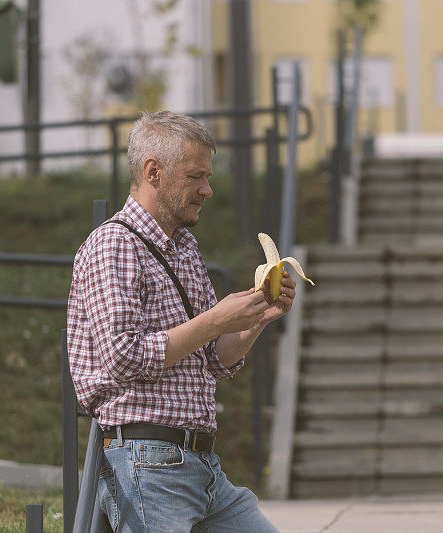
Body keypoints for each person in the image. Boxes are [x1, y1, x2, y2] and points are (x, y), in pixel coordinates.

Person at [67, 110, 291, 532]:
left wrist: (257, 317)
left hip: (204, 466)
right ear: (153, 172)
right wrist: (213, 320)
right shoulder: (113, 245)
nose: (207, 189)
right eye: (195, 176)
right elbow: (121, 358)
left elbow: (213, 359)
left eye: (208, 176)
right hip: (148, 463)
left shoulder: (185, 248)